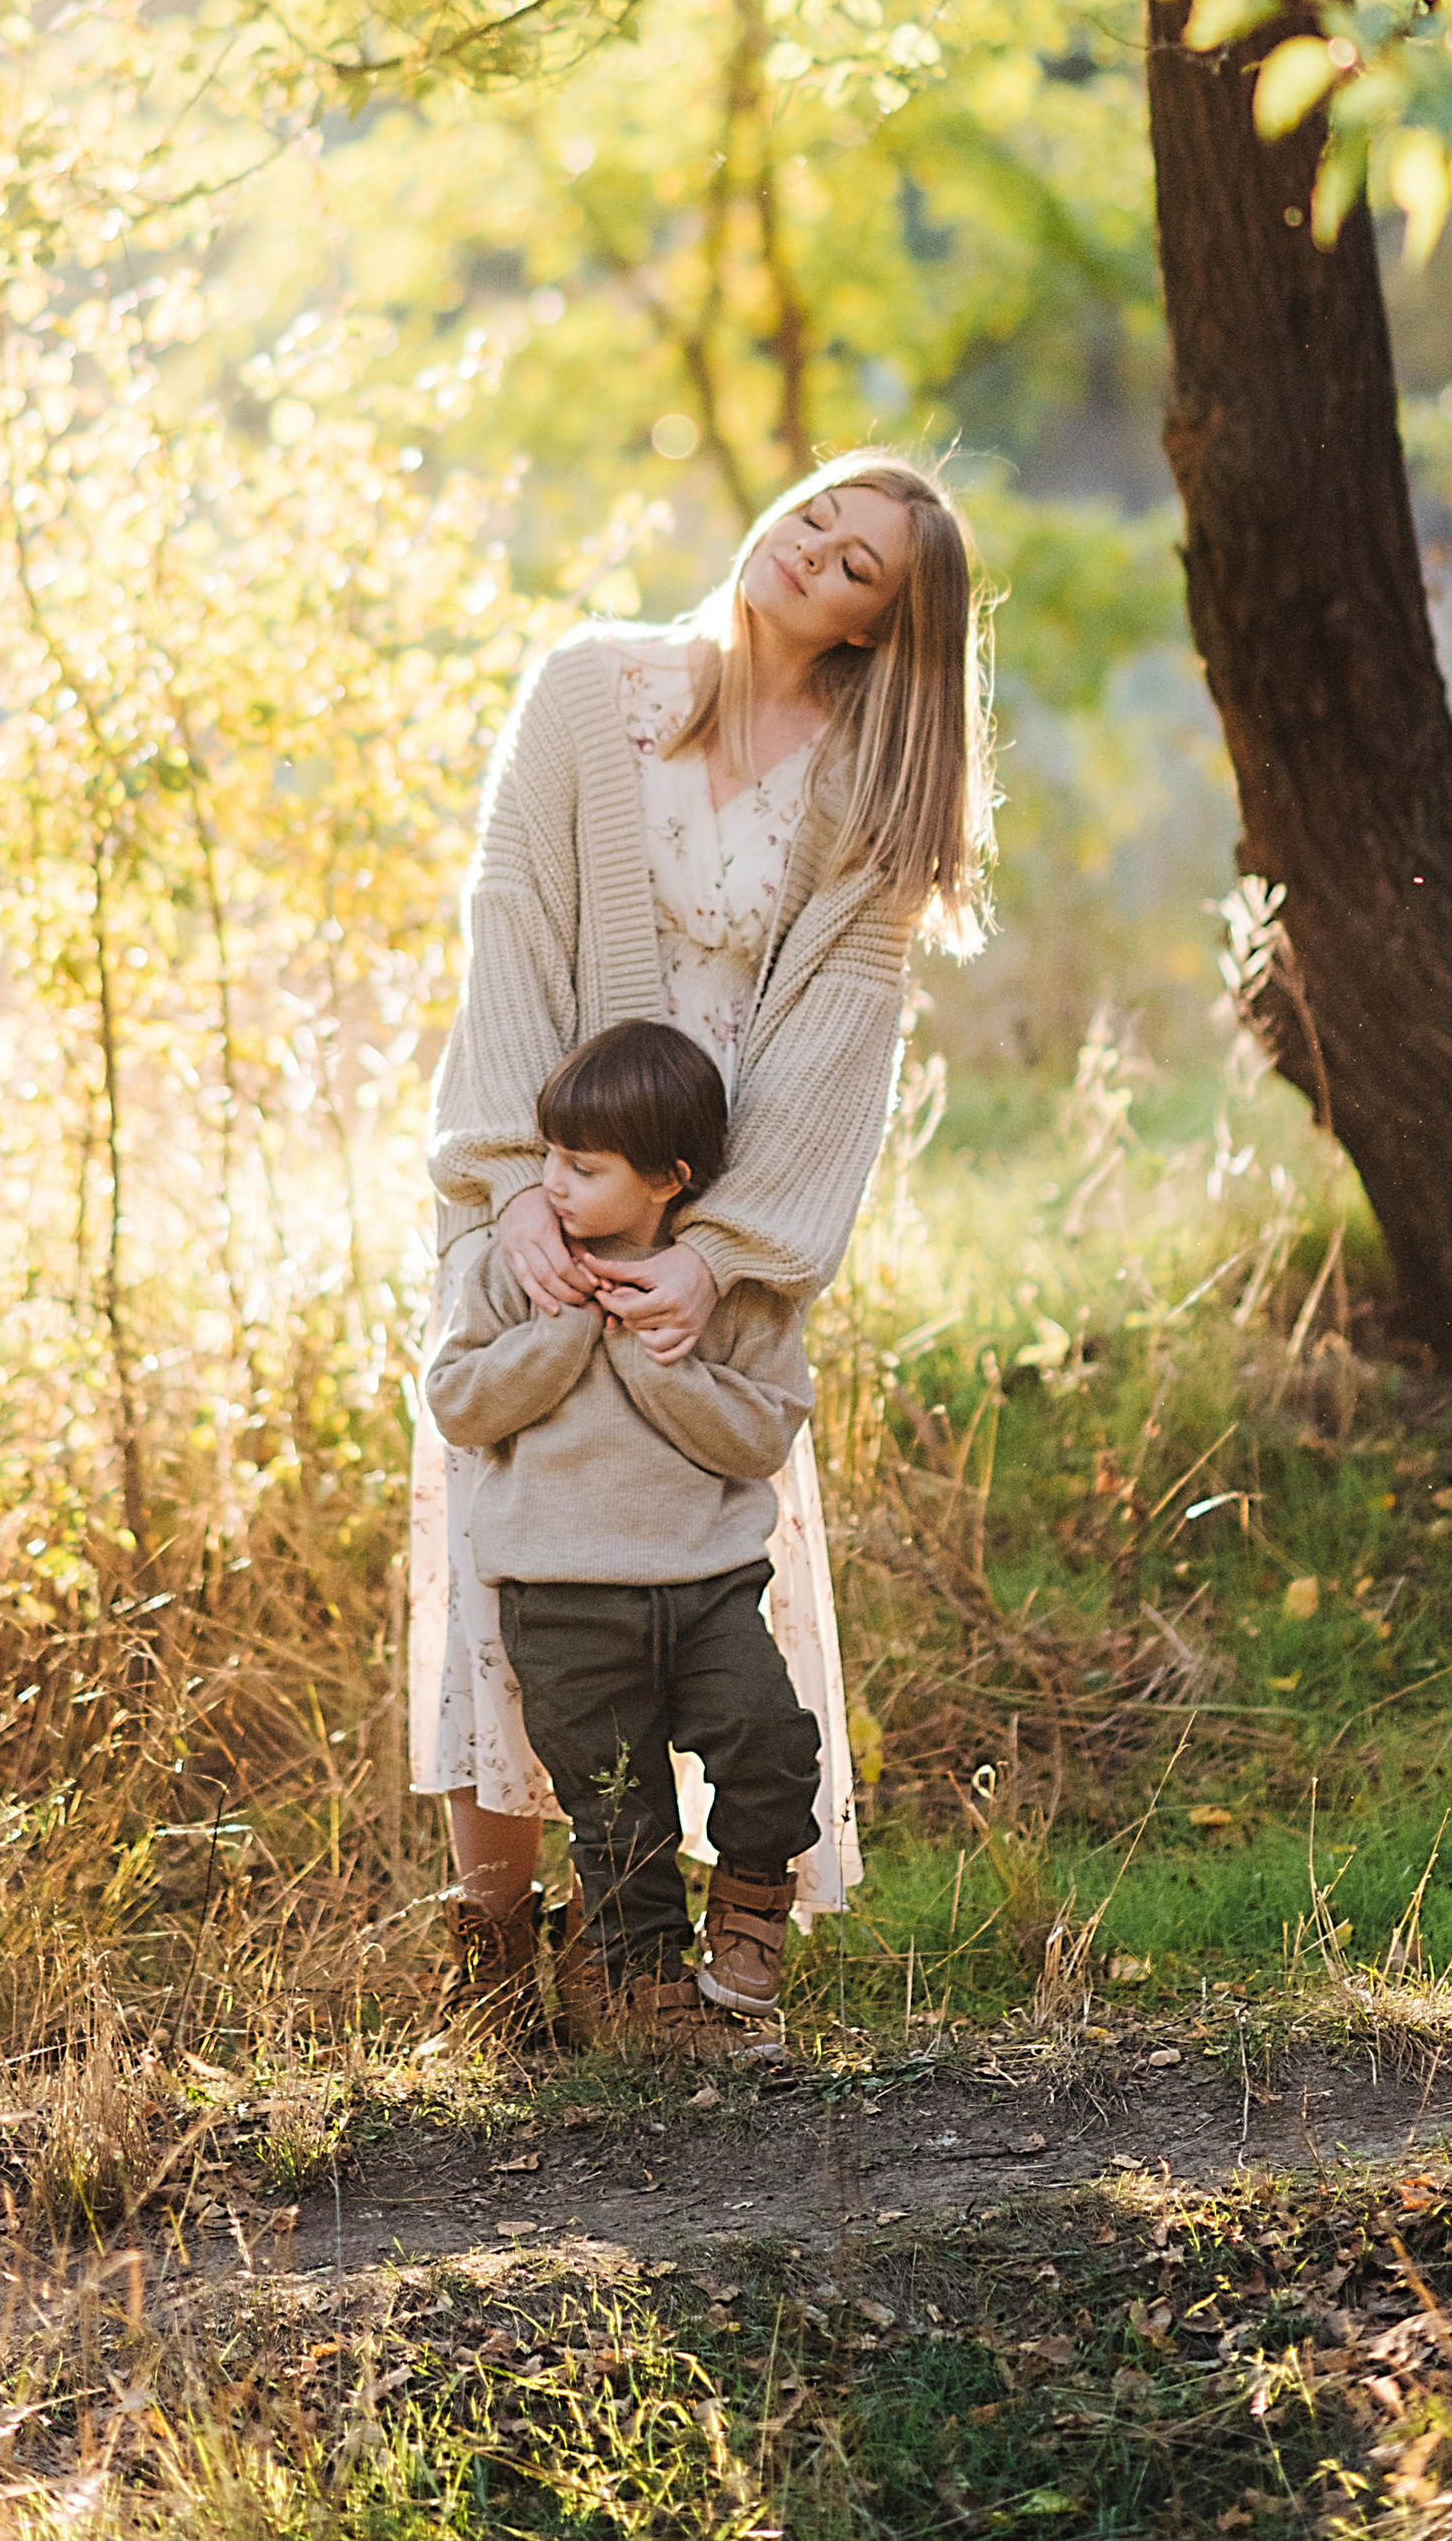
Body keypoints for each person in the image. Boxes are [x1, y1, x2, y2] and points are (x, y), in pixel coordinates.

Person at [410, 447, 993, 2043]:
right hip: (540, 1185)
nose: (817, 552)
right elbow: (509, 923)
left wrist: (722, 1253)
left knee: (696, 1556)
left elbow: (838, 1032)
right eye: (816, 513)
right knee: (512, 1532)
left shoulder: (868, 784)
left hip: (708, 1239)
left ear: (885, 626)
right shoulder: (590, 689)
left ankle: (685, 1941)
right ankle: (498, 1941)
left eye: (861, 562)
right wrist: (519, 1185)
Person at [424, 1019, 824, 2039]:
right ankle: (643, 1993)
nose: (550, 1183)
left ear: (667, 1178)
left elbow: (762, 1433)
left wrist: (663, 1367)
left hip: (706, 1584)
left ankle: (748, 1905)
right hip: (561, 1595)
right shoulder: (520, 1270)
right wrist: (558, 1340)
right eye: (550, 1154)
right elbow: (458, 1399)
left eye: (581, 1166)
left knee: (768, 1740)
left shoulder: (727, 1291)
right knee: (616, 1806)